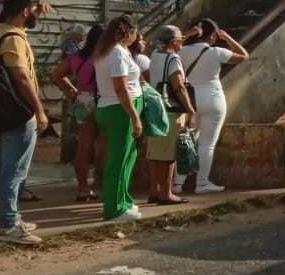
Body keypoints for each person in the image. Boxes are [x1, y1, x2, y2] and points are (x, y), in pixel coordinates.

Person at [0, 0, 49, 244]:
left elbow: (17, 38)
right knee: (14, 172)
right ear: (24, 11)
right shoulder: (14, 38)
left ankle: (2, 220)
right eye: (33, 10)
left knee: (0, 169)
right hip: (19, 114)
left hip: (0, 113)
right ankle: (9, 224)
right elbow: (21, 77)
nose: (35, 14)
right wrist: (40, 110)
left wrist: (35, 15)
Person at [180, 18, 249, 193]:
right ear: (212, 36)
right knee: (207, 144)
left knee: (186, 141)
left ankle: (177, 183)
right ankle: (202, 183)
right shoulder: (217, 52)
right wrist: (227, 38)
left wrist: (186, 35)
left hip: (190, 100)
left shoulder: (180, 51)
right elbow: (243, 56)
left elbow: (167, 47)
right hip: (213, 99)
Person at [92, 15, 145, 222]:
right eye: (134, 33)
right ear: (129, 33)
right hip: (119, 109)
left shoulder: (112, 51)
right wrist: (134, 117)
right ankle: (114, 208)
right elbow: (120, 88)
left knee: (127, 157)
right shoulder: (116, 53)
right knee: (119, 159)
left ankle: (123, 202)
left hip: (117, 107)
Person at [51, 24, 105, 203]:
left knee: (84, 146)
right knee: (105, 145)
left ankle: (83, 188)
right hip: (104, 100)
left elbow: (57, 74)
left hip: (83, 100)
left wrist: (72, 90)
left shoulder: (76, 57)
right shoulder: (106, 57)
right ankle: (104, 183)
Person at [145, 25, 194, 206]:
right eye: (181, 39)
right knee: (169, 154)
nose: (182, 42)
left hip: (154, 107)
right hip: (170, 110)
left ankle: (154, 190)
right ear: (174, 41)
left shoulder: (155, 56)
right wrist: (190, 108)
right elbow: (178, 86)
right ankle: (166, 193)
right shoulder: (173, 59)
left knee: (155, 152)